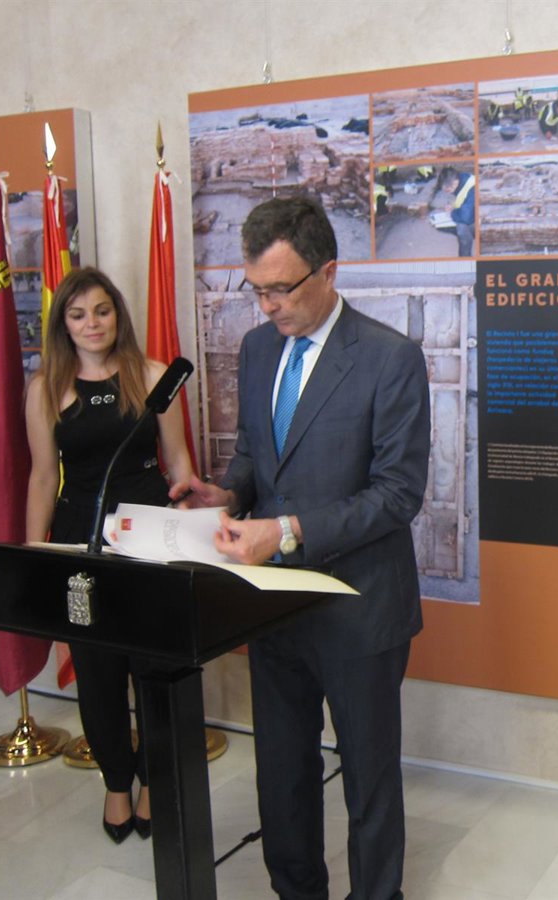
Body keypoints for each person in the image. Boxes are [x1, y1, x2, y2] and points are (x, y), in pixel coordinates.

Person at [175, 196, 430, 900]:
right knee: (282, 775)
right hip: (273, 606)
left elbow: (397, 495)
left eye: (281, 289)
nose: (267, 307)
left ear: (329, 272)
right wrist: (226, 495)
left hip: (359, 609)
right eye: (256, 289)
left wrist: (285, 531)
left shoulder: (390, 358)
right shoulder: (258, 350)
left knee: (368, 779)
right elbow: (257, 456)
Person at [24, 267, 194, 843]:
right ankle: (117, 781)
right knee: (96, 671)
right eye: (78, 315)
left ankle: (152, 779)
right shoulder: (45, 388)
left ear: (117, 315)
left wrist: (188, 528)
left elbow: (178, 462)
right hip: (81, 542)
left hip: (148, 537)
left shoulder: (153, 376)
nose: (92, 324)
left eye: (101, 311)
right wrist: (37, 556)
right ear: (63, 324)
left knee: (151, 667)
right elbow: (42, 478)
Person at [436, 167, 476, 257]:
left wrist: (452, 213)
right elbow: (464, 200)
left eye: (448, 190)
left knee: (462, 228)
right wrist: (454, 206)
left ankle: (465, 258)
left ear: (454, 183)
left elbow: (466, 218)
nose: (448, 193)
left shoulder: (472, 188)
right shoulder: (462, 178)